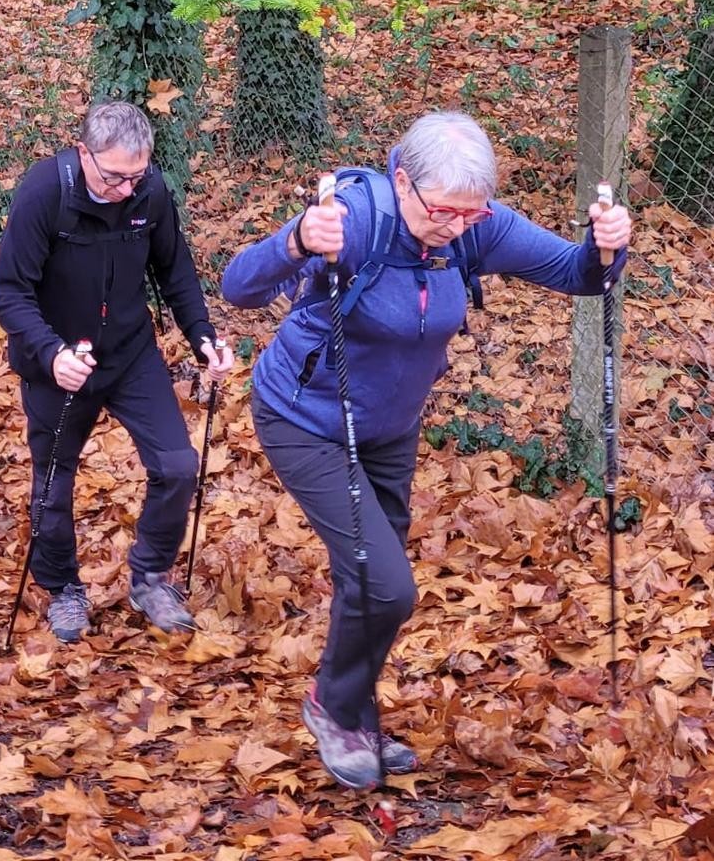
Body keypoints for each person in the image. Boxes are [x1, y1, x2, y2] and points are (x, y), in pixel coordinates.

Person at [221, 109, 632, 790]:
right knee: (386, 586)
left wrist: (606, 247)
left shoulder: (474, 226)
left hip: (389, 427)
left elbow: (579, 275)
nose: (455, 227)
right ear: (402, 181)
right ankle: (332, 708)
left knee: (368, 580)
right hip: (305, 419)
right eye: (443, 211)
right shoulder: (356, 220)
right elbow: (239, 288)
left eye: (472, 214)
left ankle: (353, 716)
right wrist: (295, 241)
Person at [0, 99, 233, 645]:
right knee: (53, 483)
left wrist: (204, 340)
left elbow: (176, 273)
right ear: (84, 154)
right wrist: (51, 354)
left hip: (129, 354)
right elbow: (9, 290)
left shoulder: (151, 192)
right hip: (59, 360)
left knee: (177, 465)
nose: (126, 189)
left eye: (136, 176)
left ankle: (150, 578)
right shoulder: (45, 192)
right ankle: (63, 588)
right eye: (115, 177)